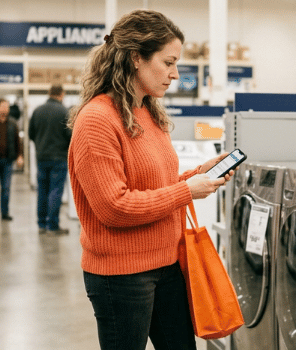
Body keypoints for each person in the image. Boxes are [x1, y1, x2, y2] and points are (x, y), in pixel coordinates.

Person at [67, 9, 234, 350]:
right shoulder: (98, 120)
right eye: (168, 62)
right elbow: (114, 207)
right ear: (136, 58)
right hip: (121, 276)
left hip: (167, 263)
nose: (175, 74)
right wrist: (186, 191)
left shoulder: (148, 111)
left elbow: (155, 185)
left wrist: (196, 175)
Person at [29, 84, 72, 234]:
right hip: (59, 158)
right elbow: (70, 136)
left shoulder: (37, 111)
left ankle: (41, 224)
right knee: (55, 190)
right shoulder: (64, 112)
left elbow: (31, 134)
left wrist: (41, 146)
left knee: (42, 190)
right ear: (61, 94)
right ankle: (52, 225)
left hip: (41, 157)